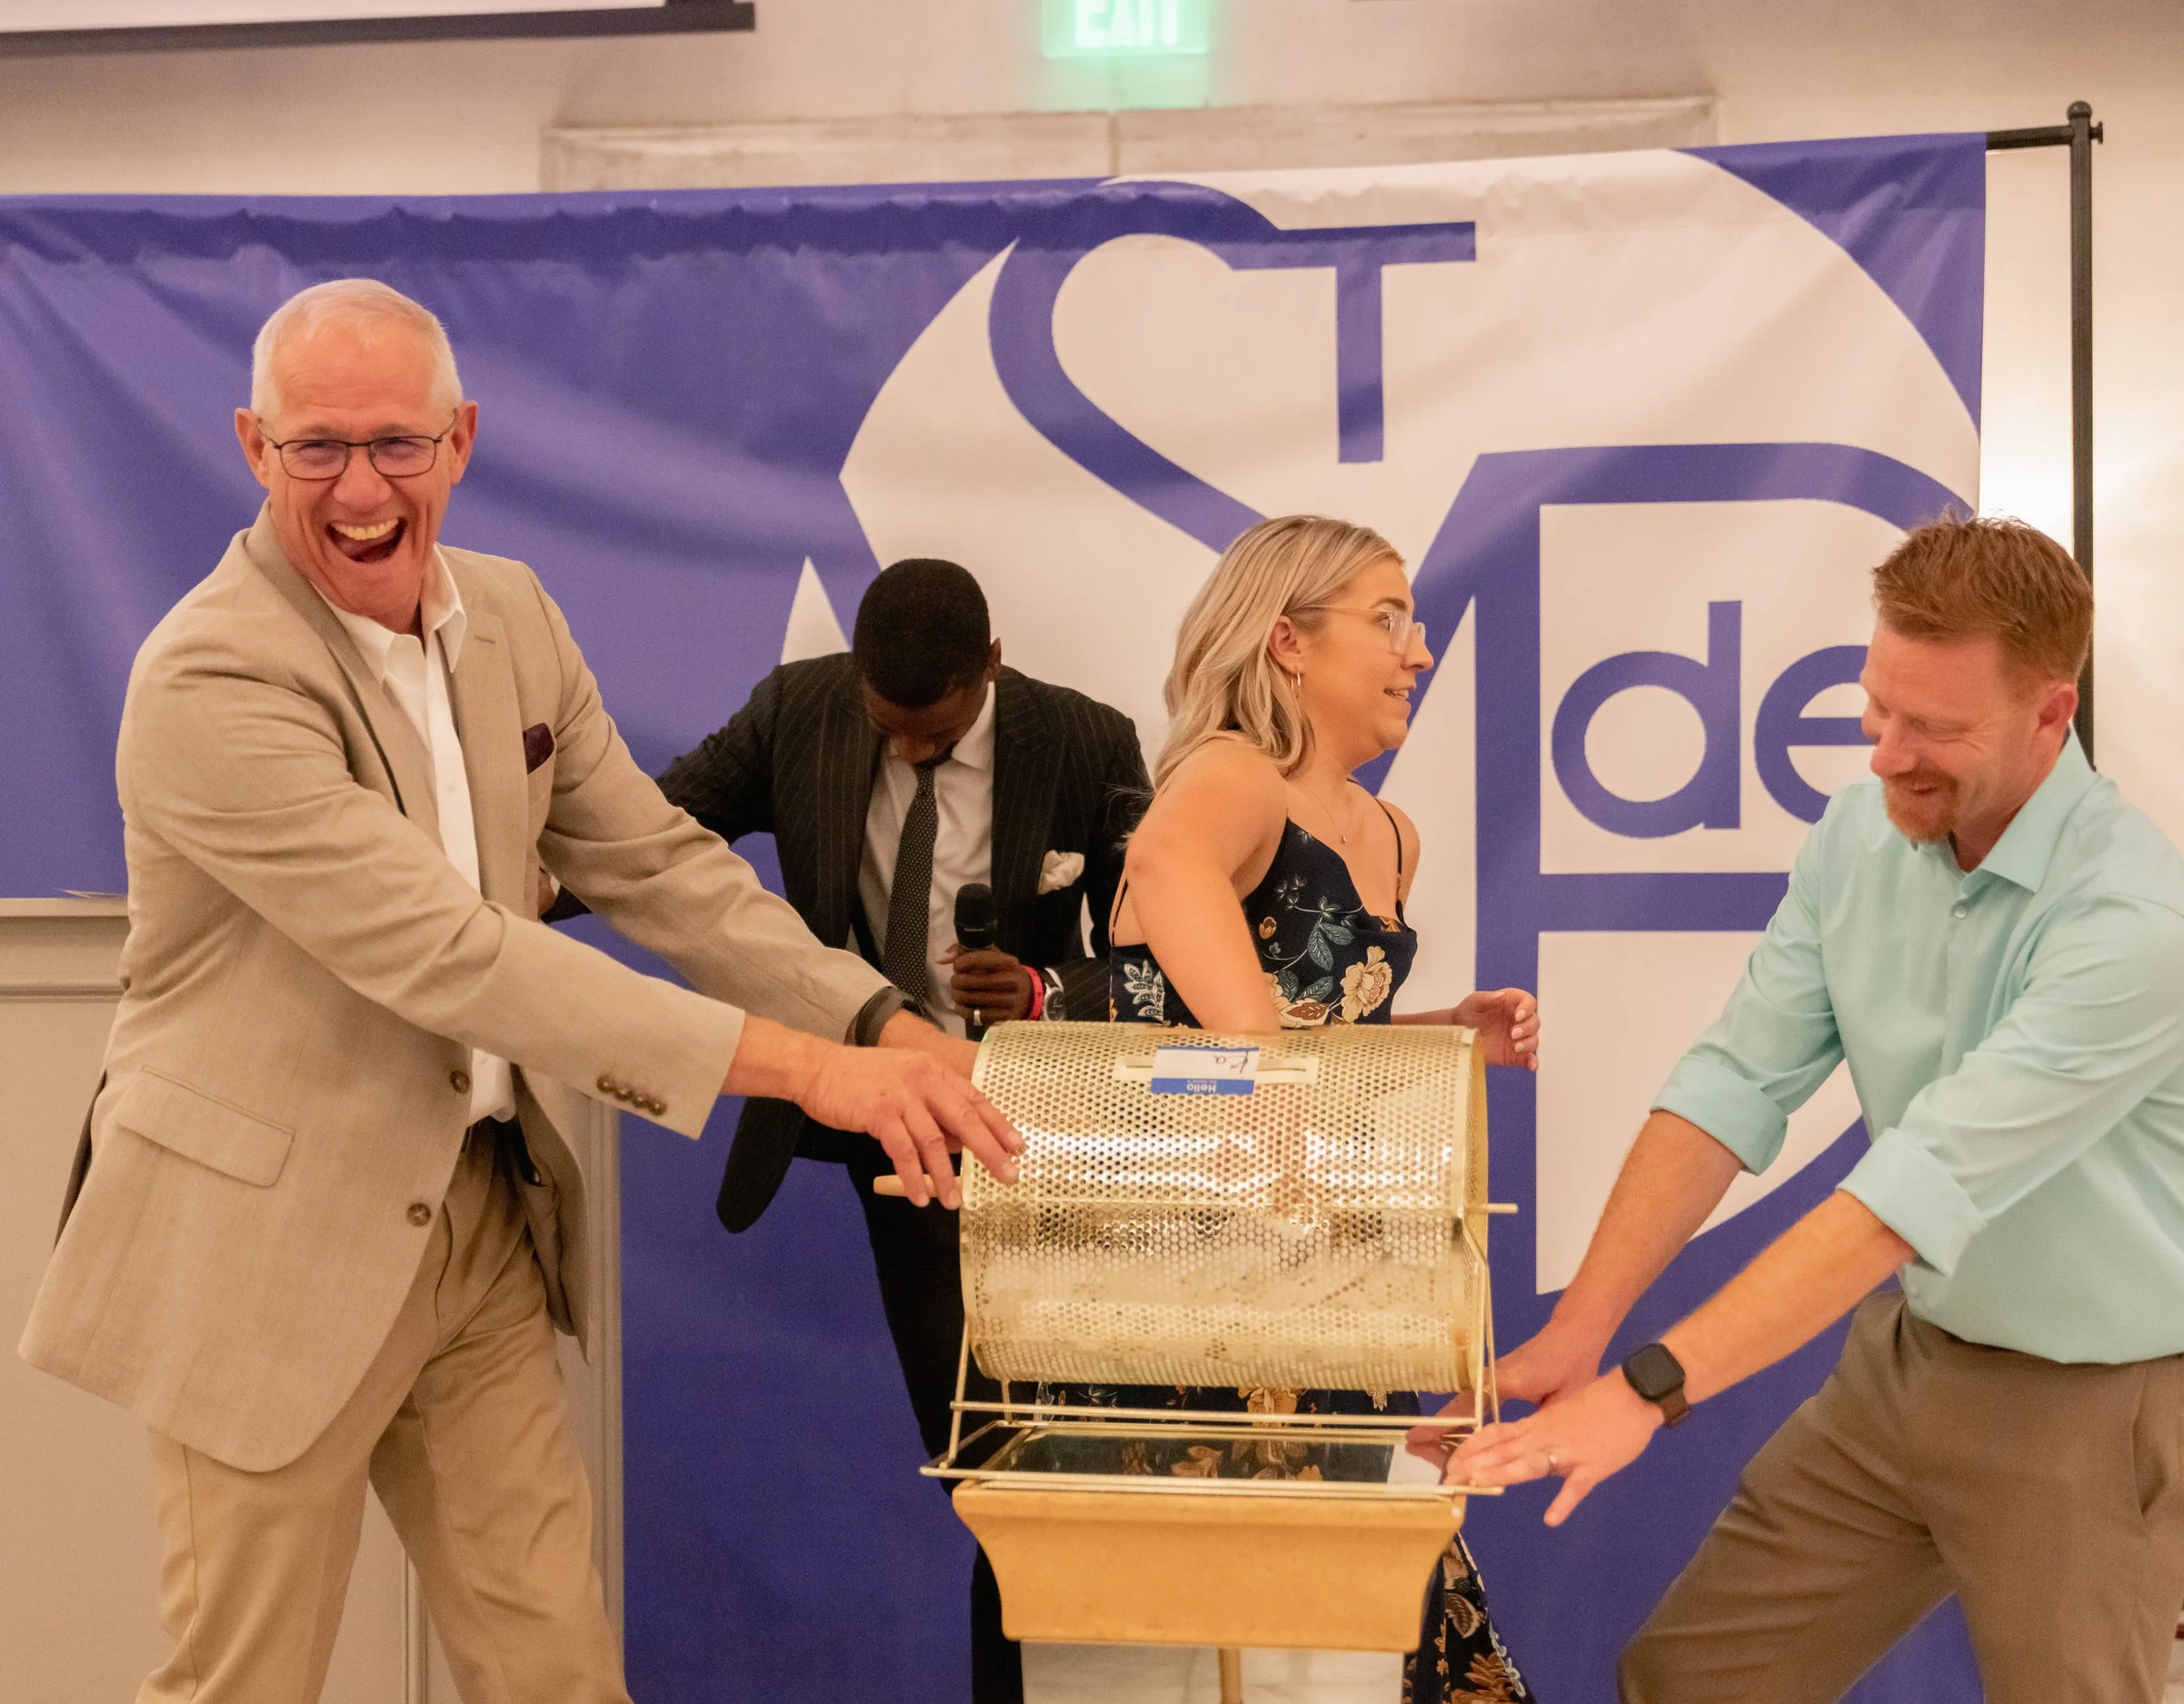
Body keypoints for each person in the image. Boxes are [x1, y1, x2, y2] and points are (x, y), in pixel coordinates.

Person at [16, 278, 1018, 1704]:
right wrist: (815, 1073)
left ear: (461, 439)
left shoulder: (514, 614)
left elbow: (661, 864)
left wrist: (881, 1021)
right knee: (243, 1683)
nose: (360, 486)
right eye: (317, 446)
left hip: (479, 1220)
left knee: (553, 1667)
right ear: (252, 446)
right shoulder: (207, 674)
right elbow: (455, 952)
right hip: (256, 1247)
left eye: (395, 443)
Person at [1443, 516, 2184, 1704]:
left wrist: (1648, 1387)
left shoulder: (2129, 924)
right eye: (1878, 708)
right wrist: (1585, 1329)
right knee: (1690, 1678)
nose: (1887, 755)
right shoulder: (1856, 835)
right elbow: (1731, 1083)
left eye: (1935, 727)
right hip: (1912, 1361)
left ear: (2051, 712)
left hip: (2102, 1402)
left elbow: (1908, 1193)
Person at [648, 555, 1149, 1702]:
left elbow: (1154, 952)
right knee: (987, 1475)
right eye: (888, 728)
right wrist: (508, 888)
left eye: (934, 732)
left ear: (992, 669)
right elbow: (650, 840)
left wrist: (1039, 988)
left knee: (1058, 1476)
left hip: (1039, 1140)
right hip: (893, 1136)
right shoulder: (799, 710)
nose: (909, 752)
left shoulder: (1086, 742)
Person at [1101, 513, 1543, 1704]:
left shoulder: (1388, 834)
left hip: (1321, 1287)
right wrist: (1269, 1079)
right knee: (1224, 1642)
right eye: (1388, 618)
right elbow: (1168, 872)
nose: (1420, 650)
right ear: (1287, 641)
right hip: (1181, 1296)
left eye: (1420, 622)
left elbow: (1309, 1034)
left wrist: (1435, 1031)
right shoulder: (1227, 771)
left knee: (1376, 1624)